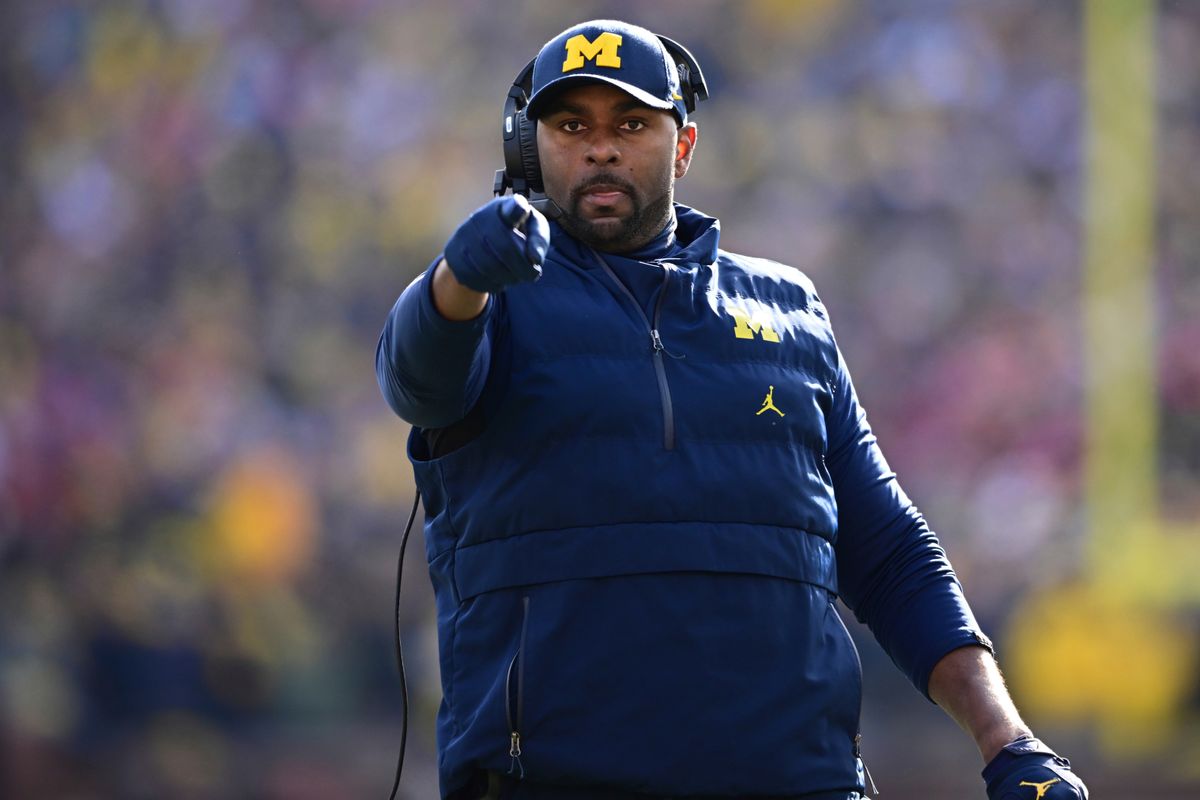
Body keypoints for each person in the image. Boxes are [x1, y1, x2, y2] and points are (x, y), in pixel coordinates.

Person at [376, 19, 1088, 800]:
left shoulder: (790, 309)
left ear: (683, 146)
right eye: (571, 126)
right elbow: (417, 381)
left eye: (632, 125)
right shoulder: (489, 299)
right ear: (529, 150)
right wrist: (459, 277)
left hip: (800, 783)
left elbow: (889, 553)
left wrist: (1008, 741)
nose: (600, 149)